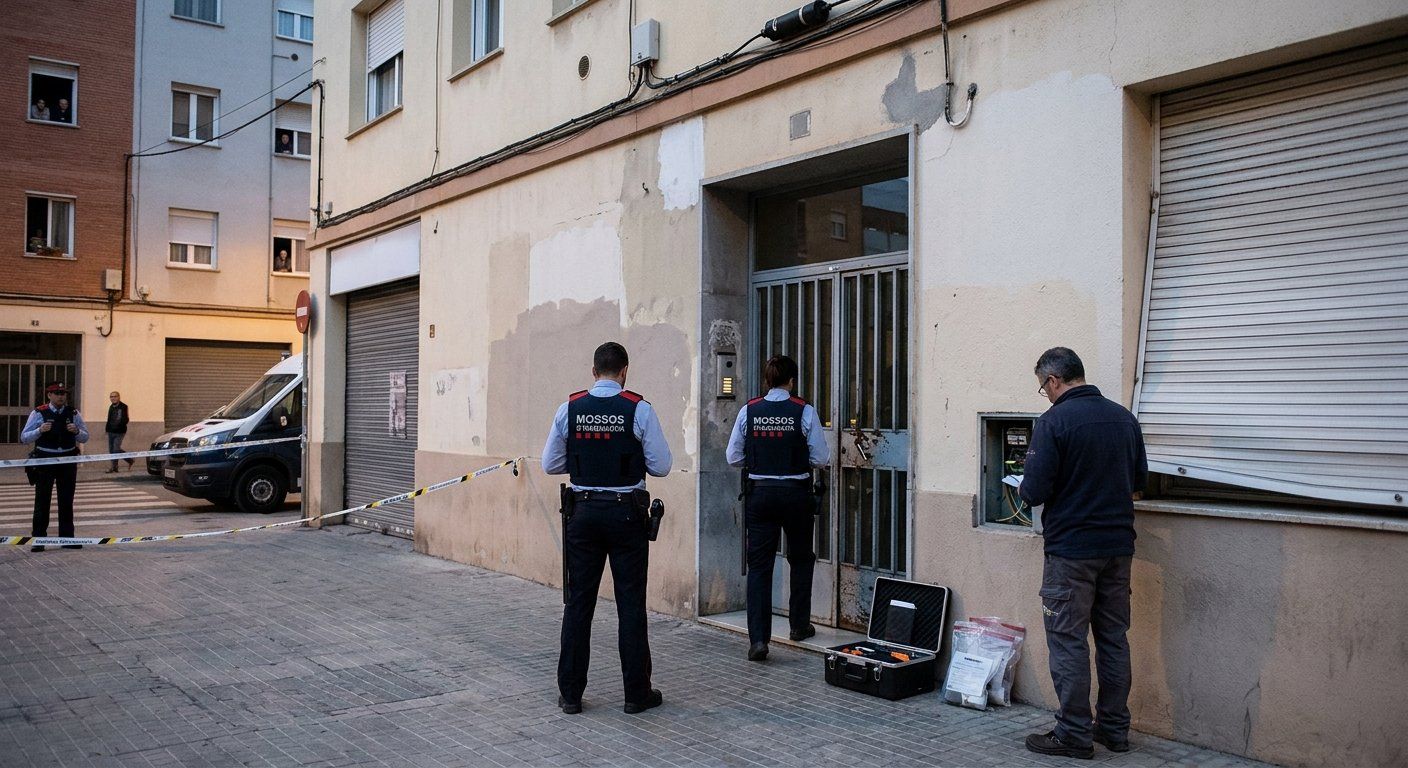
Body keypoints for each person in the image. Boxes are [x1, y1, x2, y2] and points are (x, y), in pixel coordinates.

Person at [1019, 347, 1147, 759]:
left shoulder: (1053, 422)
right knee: (1113, 638)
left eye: (1044, 387)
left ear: (1054, 381)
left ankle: (1073, 732)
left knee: (1068, 640)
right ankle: (1113, 729)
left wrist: (1023, 484)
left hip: (1071, 552)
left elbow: (1034, 490)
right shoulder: (1124, 419)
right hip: (1118, 549)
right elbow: (1137, 484)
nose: (1046, 393)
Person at [542, 341, 672, 715]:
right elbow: (661, 465)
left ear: (594, 371)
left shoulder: (570, 408)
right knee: (630, 605)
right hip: (626, 516)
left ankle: (570, 694)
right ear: (625, 371)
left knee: (578, 604)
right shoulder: (639, 409)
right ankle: (636, 694)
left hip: (582, 514)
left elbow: (550, 464)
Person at [725, 354, 830, 661]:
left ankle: (758, 640)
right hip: (796, 494)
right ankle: (798, 625)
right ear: (791, 381)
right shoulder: (804, 411)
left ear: (766, 381)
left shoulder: (749, 411)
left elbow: (733, 456)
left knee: (759, 567)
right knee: (800, 558)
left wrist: (760, 462)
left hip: (760, 494)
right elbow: (821, 458)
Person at [21, 382, 90, 552]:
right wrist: (39, 430)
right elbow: (24, 437)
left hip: (67, 461)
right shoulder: (39, 413)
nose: (61, 396)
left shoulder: (73, 413)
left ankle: (67, 538)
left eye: (63, 393)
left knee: (66, 501)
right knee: (42, 501)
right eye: (57, 393)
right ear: (49, 395)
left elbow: (85, 437)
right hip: (45, 460)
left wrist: (76, 432)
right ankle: (39, 539)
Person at [105, 391, 134, 472]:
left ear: (118, 397)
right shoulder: (111, 407)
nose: (113, 398)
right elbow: (109, 419)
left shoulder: (124, 407)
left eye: (115, 396)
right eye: (111, 397)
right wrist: (107, 429)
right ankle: (115, 467)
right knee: (111, 450)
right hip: (111, 431)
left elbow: (126, 419)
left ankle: (129, 460)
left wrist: (120, 425)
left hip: (120, 432)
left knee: (116, 449)